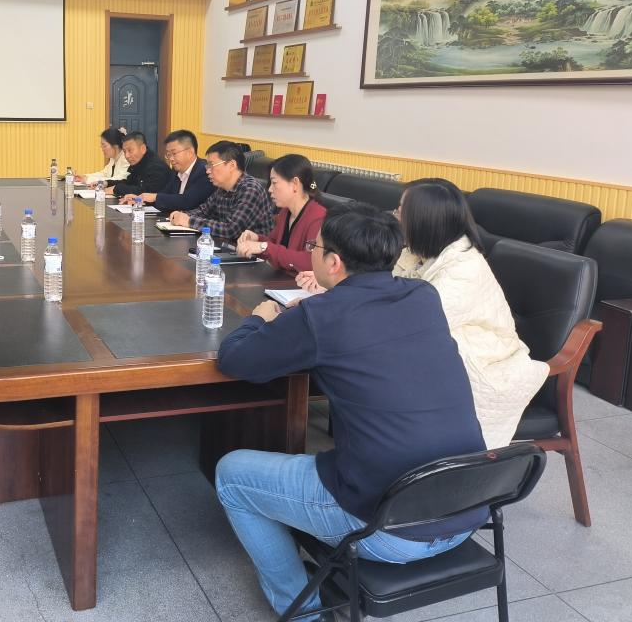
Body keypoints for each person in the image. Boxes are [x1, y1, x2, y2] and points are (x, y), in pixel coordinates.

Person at [215, 202, 487, 620]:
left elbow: (236, 360)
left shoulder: (320, 316)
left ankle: (302, 611)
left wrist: (259, 318)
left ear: (334, 262)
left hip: (388, 528)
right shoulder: (423, 295)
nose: (311, 252)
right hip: (469, 509)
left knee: (232, 475)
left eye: (314, 247)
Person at [391, 178, 548, 449]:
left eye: (401, 209)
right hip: (445, 348)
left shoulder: (462, 270)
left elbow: (414, 322)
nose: (395, 215)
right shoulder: (423, 253)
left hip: (488, 365)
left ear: (423, 220)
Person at [235, 154, 327, 274]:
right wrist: (257, 239)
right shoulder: (286, 211)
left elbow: (311, 261)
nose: (269, 189)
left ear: (295, 184)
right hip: (281, 278)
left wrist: (264, 247)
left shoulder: (318, 216)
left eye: (274, 183)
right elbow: (274, 244)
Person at [169, 141, 275, 243]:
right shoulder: (222, 188)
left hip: (254, 252)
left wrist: (188, 221)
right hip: (227, 246)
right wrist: (181, 215)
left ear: (232, 165)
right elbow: (203, 211)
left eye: (211, 165)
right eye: (207, 166)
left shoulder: (250, 189)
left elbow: (231, 229)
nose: (207, 171)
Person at [118, 129, 213, 212]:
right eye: (168, 155)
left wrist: (154, 197)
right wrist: (139, 199)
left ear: (190, 152)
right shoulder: (176, 171)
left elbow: (188, 201)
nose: (171, 159)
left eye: (174, 153)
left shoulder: (204, 171)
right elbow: (165, 194)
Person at [107, 130, 173, 197]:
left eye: (130, 150)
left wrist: (116, 189)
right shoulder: (139, 162)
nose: (127, 156)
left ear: (143, 149)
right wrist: (107, 183)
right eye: (124, 152)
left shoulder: (156, 167)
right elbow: (129, 183)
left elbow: (147, 193)